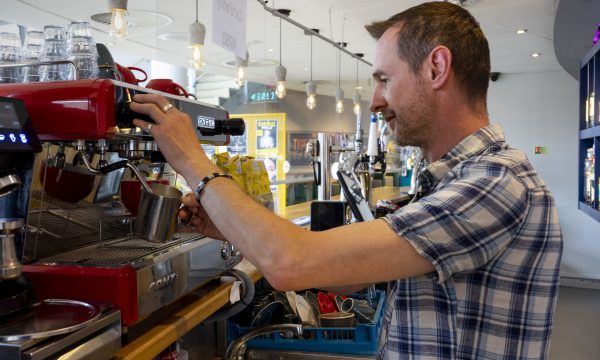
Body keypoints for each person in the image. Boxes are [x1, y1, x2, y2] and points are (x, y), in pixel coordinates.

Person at [130, 2, 562, 358]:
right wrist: (229, 227)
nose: (375, 101)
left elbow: (291, 261)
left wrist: (192, 160)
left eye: (385, 80)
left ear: (436, 68)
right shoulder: (454, 181)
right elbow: (350, 278)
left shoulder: (494, 184)